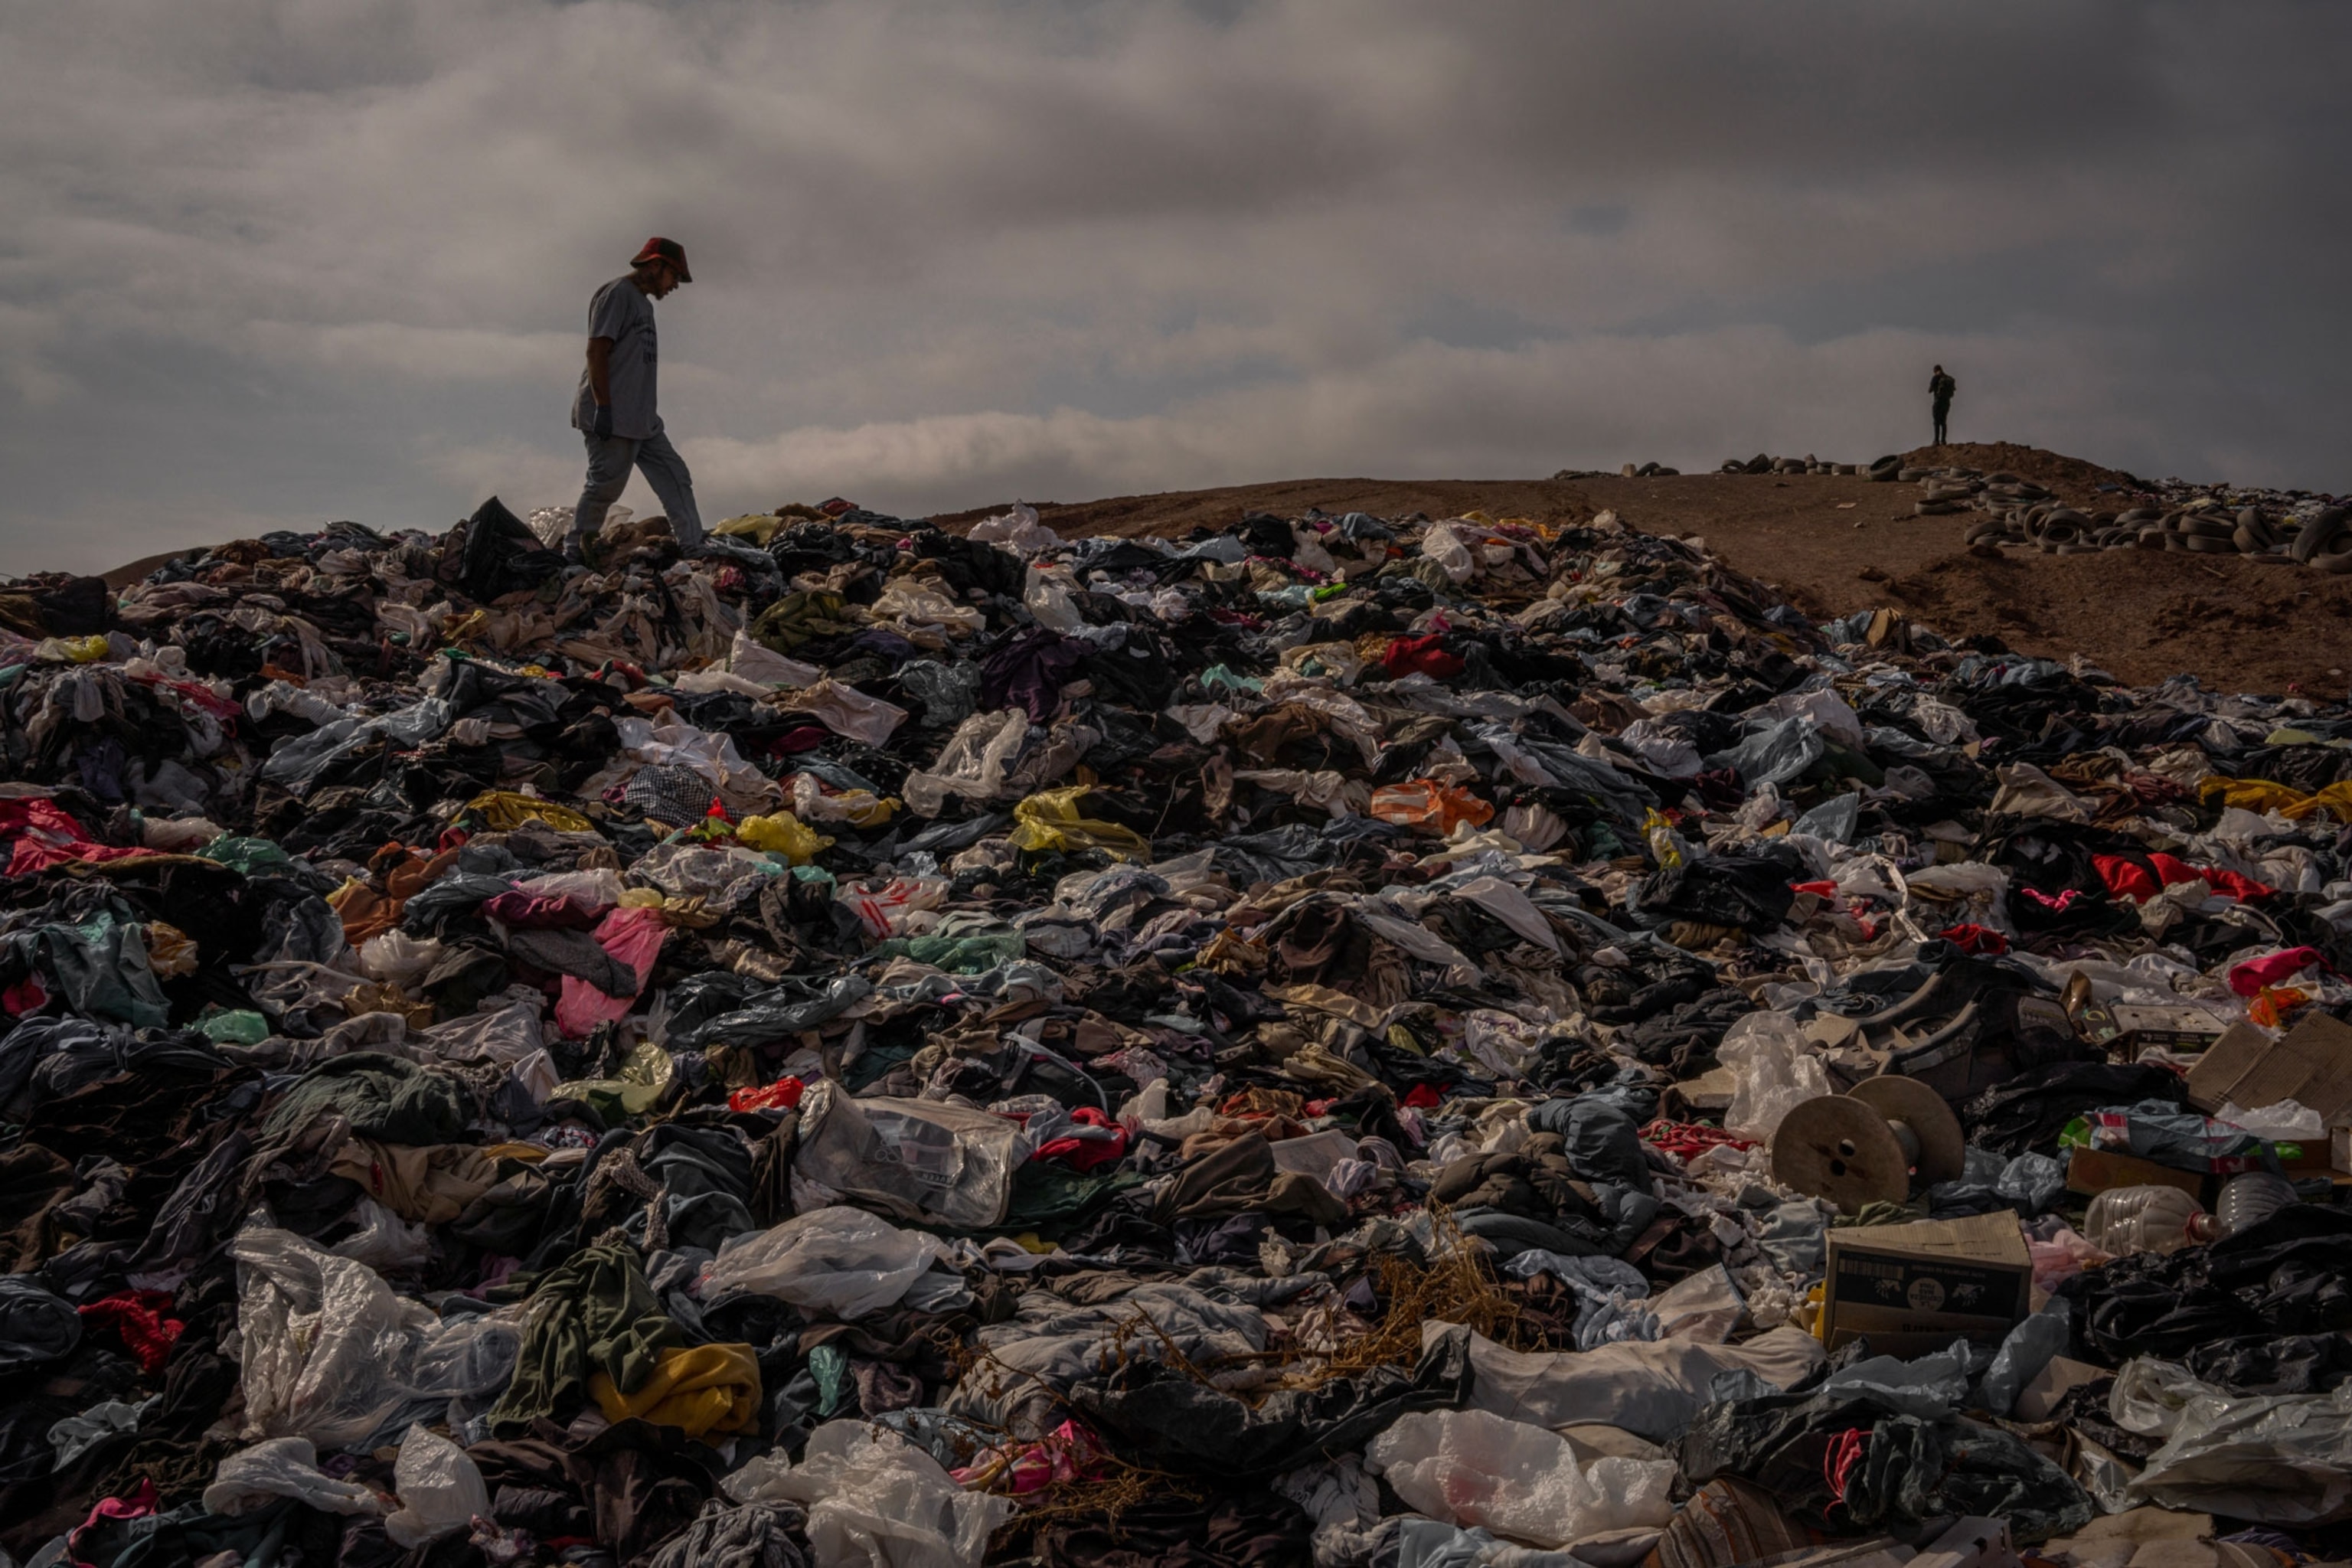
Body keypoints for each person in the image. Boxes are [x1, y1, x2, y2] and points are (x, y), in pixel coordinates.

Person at [568, 237, 705, 564]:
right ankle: (574, 554)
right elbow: (597, 349)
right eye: (674, 276)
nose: (674, 286)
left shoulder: (643, 304)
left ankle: (695, 548)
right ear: (656, 265)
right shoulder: (617, 294)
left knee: (675, 476)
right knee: (605, 485)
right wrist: (603, 406)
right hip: (614, 415)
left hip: (642, 419)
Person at [1929, 364, 1956, 446]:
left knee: (1936, 422)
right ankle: (1943, 441)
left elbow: (1930, 390)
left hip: (1938, 402)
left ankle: (1936, 441)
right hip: (1947, 403)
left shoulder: (1936, 377)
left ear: (1935, 370)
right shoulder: (1948, 378)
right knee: (1943, 422)